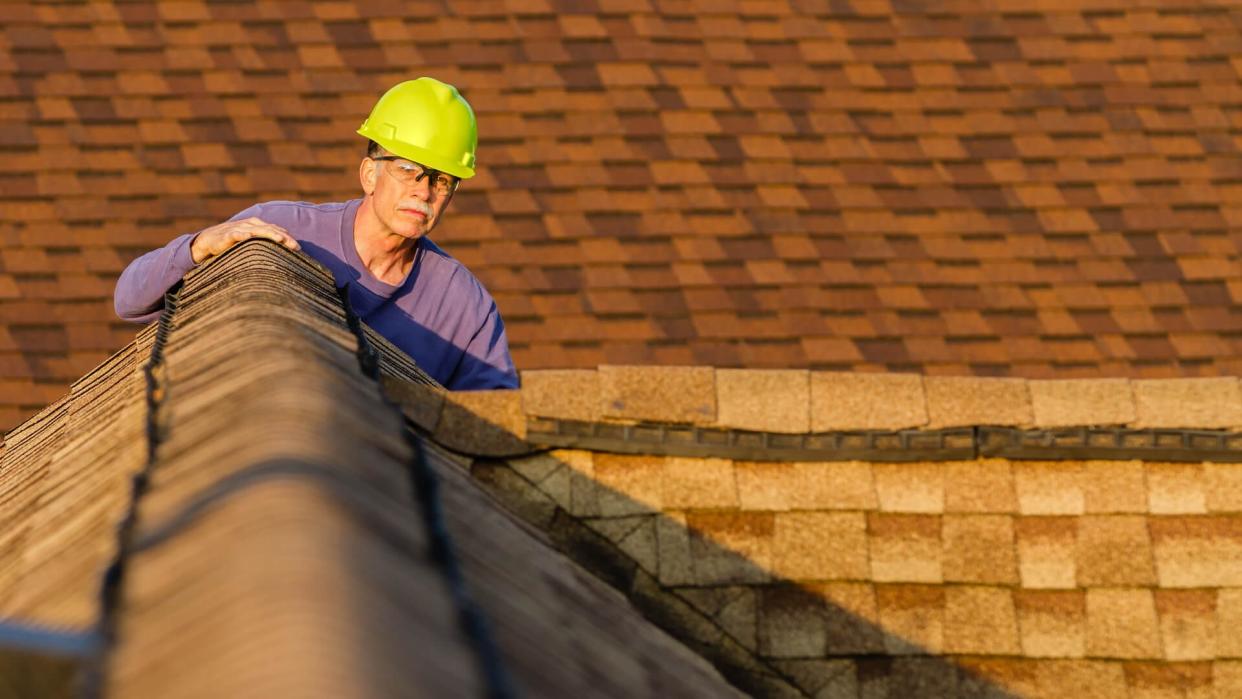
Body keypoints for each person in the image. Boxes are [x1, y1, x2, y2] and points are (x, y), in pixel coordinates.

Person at [114, 77, 518, 390]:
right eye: (409, 170)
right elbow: (129, 300)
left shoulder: (466, 308)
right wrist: (199, 247)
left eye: (443, 180)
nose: (424, 190)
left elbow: (501, 429)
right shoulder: (280, 231)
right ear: (369, 174)